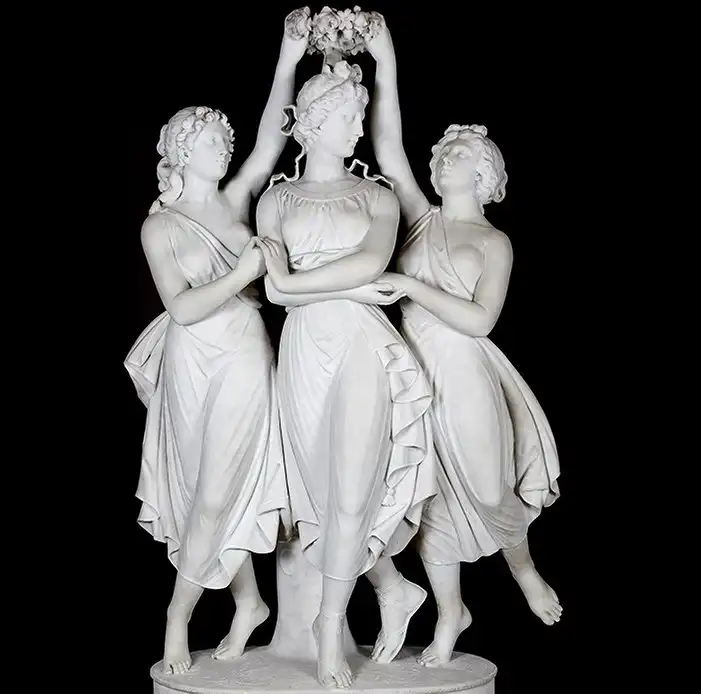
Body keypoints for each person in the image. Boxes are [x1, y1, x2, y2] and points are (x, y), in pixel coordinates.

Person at [366, 24, 563, 667]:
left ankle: (525, 571)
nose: (446, 157)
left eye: (461, 153)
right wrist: (384, 56)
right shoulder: (420, 220)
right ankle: (451, 612)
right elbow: (388, 145)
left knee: (487, 484)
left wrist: (408, 285)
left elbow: (480, 322)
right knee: (426, 499)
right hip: (410, 372)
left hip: (465, 371)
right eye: (445, 151)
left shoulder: (493, 242)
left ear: (483, 174)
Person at [123, 21, 308, 676]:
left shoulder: (234, 203)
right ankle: (249, 601)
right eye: (210, 140)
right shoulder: (162, 227)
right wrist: (243, 273)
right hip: (191, 358)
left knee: (217, 489)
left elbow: (271, 139)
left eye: (225, 139)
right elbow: (181, 306)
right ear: (180, 150)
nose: (224, 146)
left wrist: (288, 56)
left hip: (242, 354)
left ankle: (176, 618)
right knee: (204, 483)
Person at [255, 59, 437, 688]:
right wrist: (322, 287)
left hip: (362, 343)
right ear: (310, 122)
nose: (359, 127)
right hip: (305, 348)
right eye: (347, 116)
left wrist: (295, 283)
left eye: (360, 116)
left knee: (356, 484)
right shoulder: (275, 200)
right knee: (321, 490)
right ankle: (392, 586)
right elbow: (274, 293)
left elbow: (370, 262)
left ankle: (329, 626)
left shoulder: (376, 197)